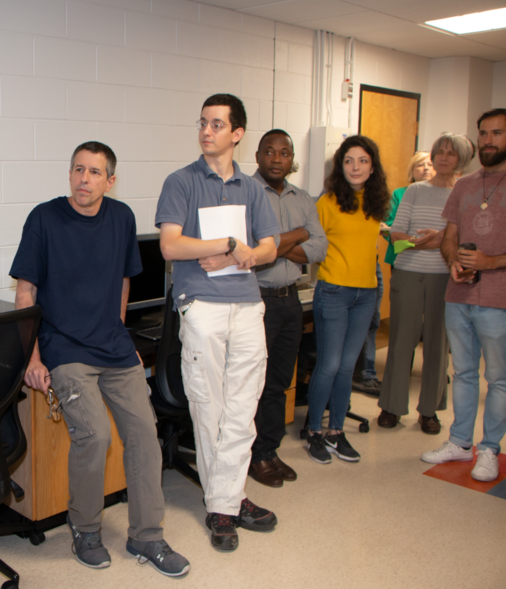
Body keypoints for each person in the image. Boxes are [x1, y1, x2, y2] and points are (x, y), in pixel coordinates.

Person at [10, 141, 190, 577]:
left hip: (114, 348)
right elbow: (25, 293)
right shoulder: (44, 219)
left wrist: (118, 330)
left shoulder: (122, 217)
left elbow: (124, 282)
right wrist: (32, 358)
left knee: (145, 435)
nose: (83, 179)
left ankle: (147, 535)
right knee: (94, 436)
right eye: (77, 170)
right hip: (65, 350)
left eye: (94, 172)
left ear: (110, 180)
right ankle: (85, 530)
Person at [156, 94, 280, 551]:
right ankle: (227, 503)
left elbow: (269, 246)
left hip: (247, 303)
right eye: (202, 123)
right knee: (209, 406)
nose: (207, 131)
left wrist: (246, 253)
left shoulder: (252, 188)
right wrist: (228, 240)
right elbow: (170, 246)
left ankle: (226, 499)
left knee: (242, 408)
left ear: (237, 133)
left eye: (217, 124)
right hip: (202, 304)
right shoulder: (181, 181)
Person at [421, 108, 506, 483]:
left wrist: (491, 260)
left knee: (499, 380)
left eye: (497, 133)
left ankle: (489, 448)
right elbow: (450, 234)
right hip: (459, 294)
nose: (489, 140)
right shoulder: (465, 185)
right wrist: (452, 259)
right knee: (465, 373)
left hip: (498, 299)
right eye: (484, 133)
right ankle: (459, 441)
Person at [377, 134, 475, 433]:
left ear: (462, 159)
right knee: (401, 341)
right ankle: (392, 407)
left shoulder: (465, 193)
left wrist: (437, 242)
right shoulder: (415, 191)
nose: (443, 158)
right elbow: (396, 236)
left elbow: (464, 240)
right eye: (439, 152)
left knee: (437, 344)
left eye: (450, 153)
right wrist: (436, 241)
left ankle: (429, 410)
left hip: (445, 278)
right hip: (407, 274)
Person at [248, 129, 328, 488]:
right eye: (270, 151)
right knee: (252, 384)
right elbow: (251, 250)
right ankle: (250, 455)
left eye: (284, 153)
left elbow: (320, 249)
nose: (277, 159)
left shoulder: (304, 198)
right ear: (258, 155)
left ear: (291, 159)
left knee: (280, 383)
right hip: (255, 300)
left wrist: (276, 242)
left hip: (290, 300)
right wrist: (296, 235)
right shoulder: (244, 193)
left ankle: (267, 450)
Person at [306, 135, 390, 465]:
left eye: (363, 161)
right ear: (341, 167)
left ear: (373, 167)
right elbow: (312, 247)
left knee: (346, 368)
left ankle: (336, 433)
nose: (355, 167)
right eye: (348, 161)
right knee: (328, 365)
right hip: (334, 293)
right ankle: (314, 431)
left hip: (366, 294)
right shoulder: (327, 202)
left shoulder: (376, 201)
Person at [354, 152, 435, 397]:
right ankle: (381, 375)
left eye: (430, 164)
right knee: (401, 324)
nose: (426, 168)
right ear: (412, 170)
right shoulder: (401, 194)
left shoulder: (447, 193)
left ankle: (434, 375)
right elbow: (389, 228)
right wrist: (420, 241)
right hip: (404, 261)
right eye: (420, 165)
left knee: (433, 324)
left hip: (435, 267)